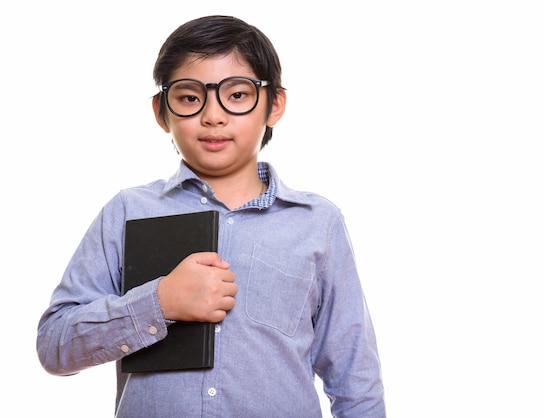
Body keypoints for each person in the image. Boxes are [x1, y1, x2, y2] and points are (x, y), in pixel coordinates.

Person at [36, 15, 385, 417]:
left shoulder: (318, 223)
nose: (213, 116)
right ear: (160, 110)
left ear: (274, 104)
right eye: (189, 97)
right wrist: (159, 303)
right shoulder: (129, 211)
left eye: (237, 95)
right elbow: (54, 346)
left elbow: (355, 378)